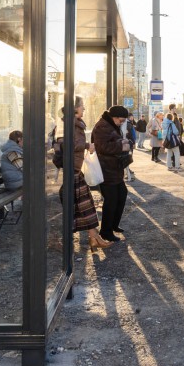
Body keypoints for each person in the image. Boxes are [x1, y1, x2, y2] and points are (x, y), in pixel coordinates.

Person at [61, 96, 113, 251]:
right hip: (72, 170)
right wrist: (87, 145)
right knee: (83, 205)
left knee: (85, 204)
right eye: (82, 106)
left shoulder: (74, 124)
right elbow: (70, 144)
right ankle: (91, 237)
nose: (84, 108)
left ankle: (94, 237)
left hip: (75, 169)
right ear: (75, 108)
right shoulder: (72, 125)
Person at [91, 105, 133, 242]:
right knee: (111, 200)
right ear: (114, 117)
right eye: (121, 120)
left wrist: (123, 142)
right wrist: (123, 145)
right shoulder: (102, 127)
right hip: (106, 170)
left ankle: (113, 225)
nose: (122, 123)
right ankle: (106, 231)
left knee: (121, 195)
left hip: (113, 169)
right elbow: (102, 147)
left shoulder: (110, 125)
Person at [121, 113, 137, 182]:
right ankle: (128, 175)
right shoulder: (128, 124)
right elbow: (133, 134)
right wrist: (133, 142)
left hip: (123, 143)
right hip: (127, 143)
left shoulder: (122, 123)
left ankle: (127, 175)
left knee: (125, 159)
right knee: (127, 158)